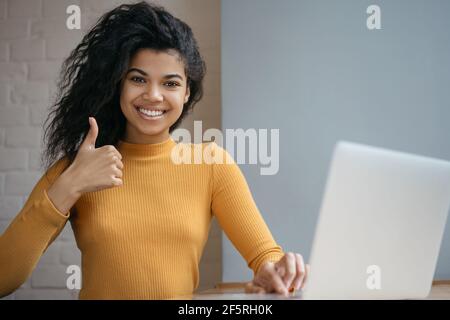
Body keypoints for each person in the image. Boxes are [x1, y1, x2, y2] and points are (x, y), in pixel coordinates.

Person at [0, 1, 309, 299]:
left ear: (187, 92)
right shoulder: (81, 166)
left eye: (171, 83)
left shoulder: (211, 165)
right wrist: (69, 185)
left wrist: (277, 272)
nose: (153, 95)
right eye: (138, 79)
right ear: (118, 84)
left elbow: (265, 257)